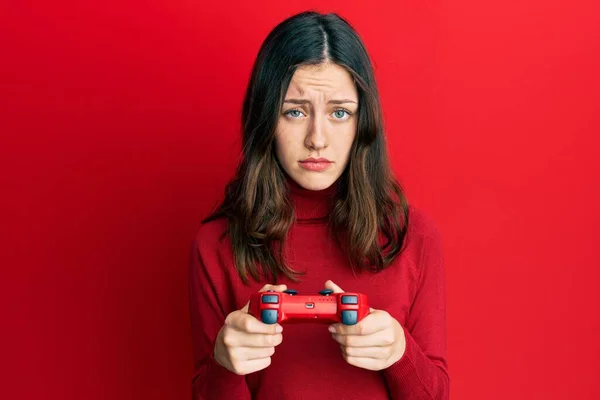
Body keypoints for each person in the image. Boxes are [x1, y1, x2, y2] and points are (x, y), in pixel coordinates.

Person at [189, 11, 449, 400]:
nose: (317, 139)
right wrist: (225, 366)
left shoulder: (414, 235)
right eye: (295, 111)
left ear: (363, 123)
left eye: (339, 112)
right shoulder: (215, 243)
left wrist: (399, 352)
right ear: (266, 117)